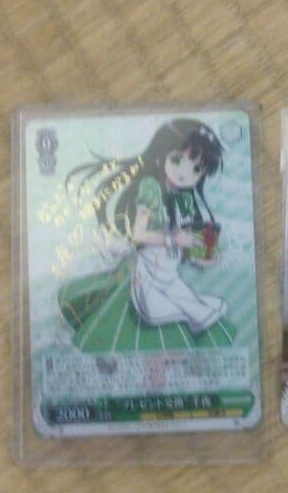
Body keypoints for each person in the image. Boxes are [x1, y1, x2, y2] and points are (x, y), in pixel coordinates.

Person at [58, 118, 235, 353]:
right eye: (177, 160)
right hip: (147, 272)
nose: (184, 173)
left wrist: (200, 258)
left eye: (196, 169)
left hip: (169, 272)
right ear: (163, 153)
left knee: (196, 313)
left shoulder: (185, 199)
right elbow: (138, 234)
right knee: (159, 322)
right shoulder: (151, 187)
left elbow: (182, 245)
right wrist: (173, 240)